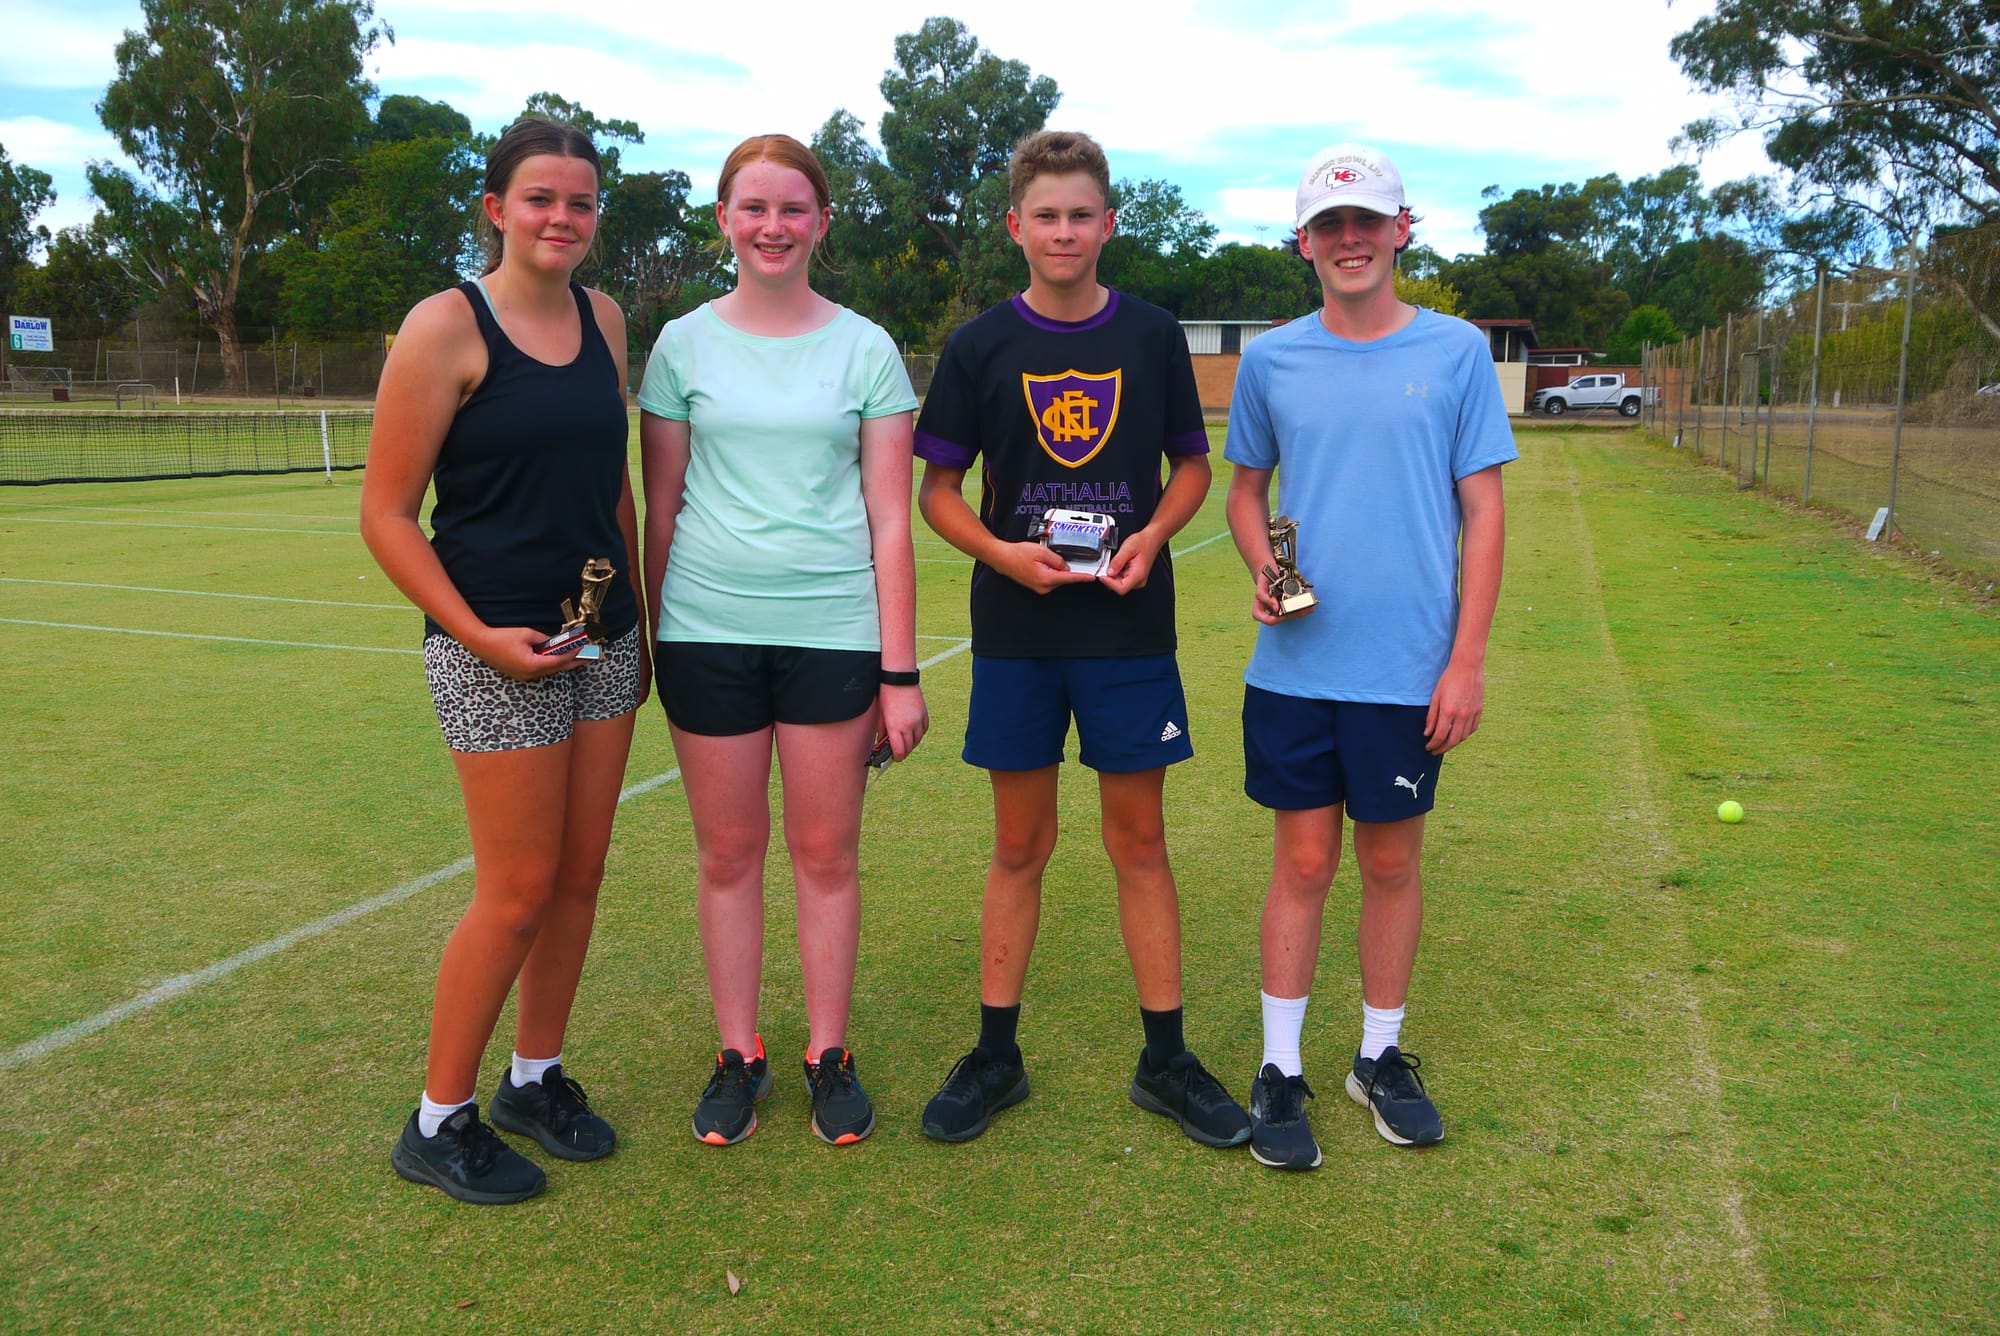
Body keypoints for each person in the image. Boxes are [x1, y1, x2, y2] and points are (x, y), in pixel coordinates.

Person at [913, 130, 1249, 1149]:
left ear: (1107, 224)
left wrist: (1151, 533)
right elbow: (936, 492)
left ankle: (1166, 1061)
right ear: (1016, 227)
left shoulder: (1149, 335)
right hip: (1016, 630)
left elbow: (1190, 466)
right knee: (1019, 843)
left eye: (1080, 215)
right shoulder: (978, 347)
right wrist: (1002, 555)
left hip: (1125, 629)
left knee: (1137, 842)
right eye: (1044, 216)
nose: (1063, 232)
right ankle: (995, 1055)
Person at [361, 117, 647, 1204]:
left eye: (579, 202)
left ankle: (535, 1077)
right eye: (539, 199)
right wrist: (479, 635)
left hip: (601, 641)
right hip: (492, 650)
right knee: (516, 888)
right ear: (495, 208)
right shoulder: (444, 327)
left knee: (578, 875)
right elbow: (385, 514)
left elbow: (610, 484)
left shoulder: (605, 318)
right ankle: (438, 1119)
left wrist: (640, 627)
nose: (561, 219)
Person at [1224, 143, 1516, 1170]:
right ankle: (1279, 1068)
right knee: (1301, 861)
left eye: (1365, 221)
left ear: (1400, 229)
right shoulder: (1270, 359)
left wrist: (1464, 660)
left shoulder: (1454, 353)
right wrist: (1263, 566)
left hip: (1405, 670)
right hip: (1296, 667)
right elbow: (1244, 490)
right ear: (1302, 243)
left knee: (1389, 860)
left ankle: (1377, 1056)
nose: (1347, 240)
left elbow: (1482, 513)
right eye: (1327, 225)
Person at [637, 133, 924, 1148]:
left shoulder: (866, 348)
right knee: (726, 853)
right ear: (723, 219)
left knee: (824, 852)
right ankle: (738, 1054)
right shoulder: (680, 345)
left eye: (791, 208)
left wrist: (899, 670)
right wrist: (651, 639)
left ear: (821, 223)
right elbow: (659, 506)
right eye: (752, 207)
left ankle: (826, 1053)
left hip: (832, 635)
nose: (771, 226)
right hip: (705, 634)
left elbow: (890, 517)